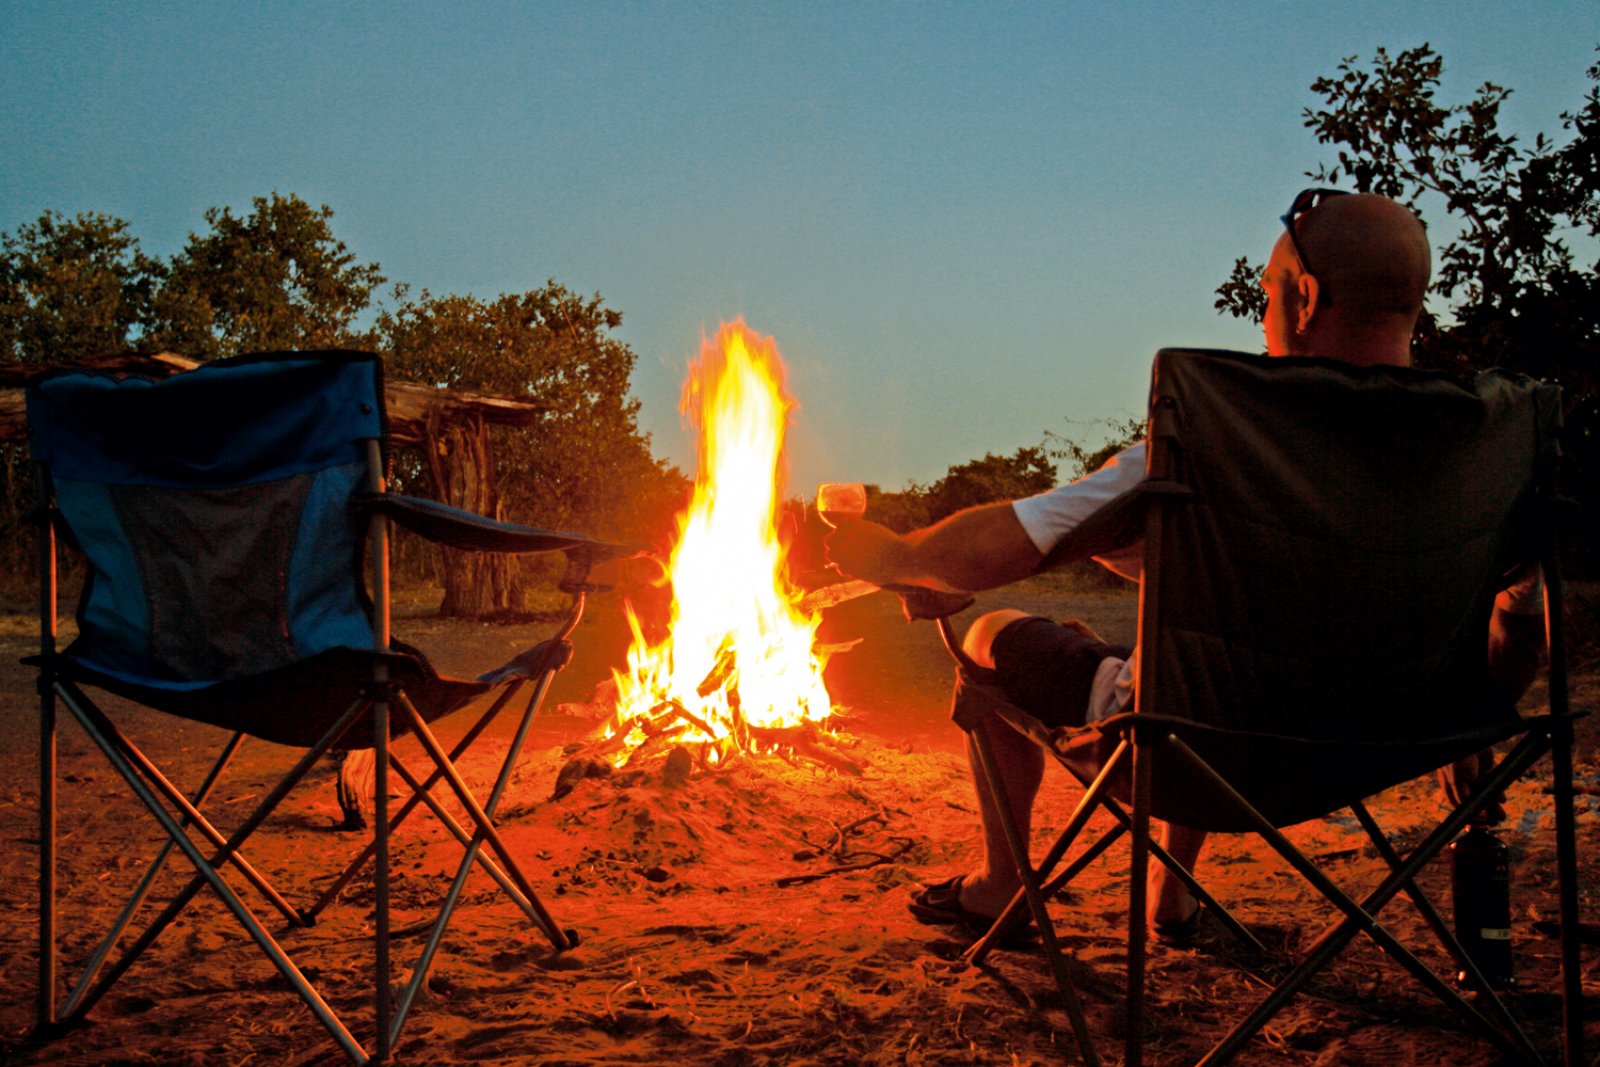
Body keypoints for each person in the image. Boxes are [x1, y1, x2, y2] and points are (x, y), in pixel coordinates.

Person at [823, 191, 1546, 942]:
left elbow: (1014, 540)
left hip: (1192, 757)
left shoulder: (1223, 438)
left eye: (1267, 294)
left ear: (1303, 298)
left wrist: (897, 555)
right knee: (1187, 649)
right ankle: (1171, 900)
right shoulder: (1490, 455)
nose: (1263, 315)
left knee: (995, 636)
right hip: (1384, 752)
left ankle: (999, 887)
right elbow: (1517, 641)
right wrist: (1457, 721)